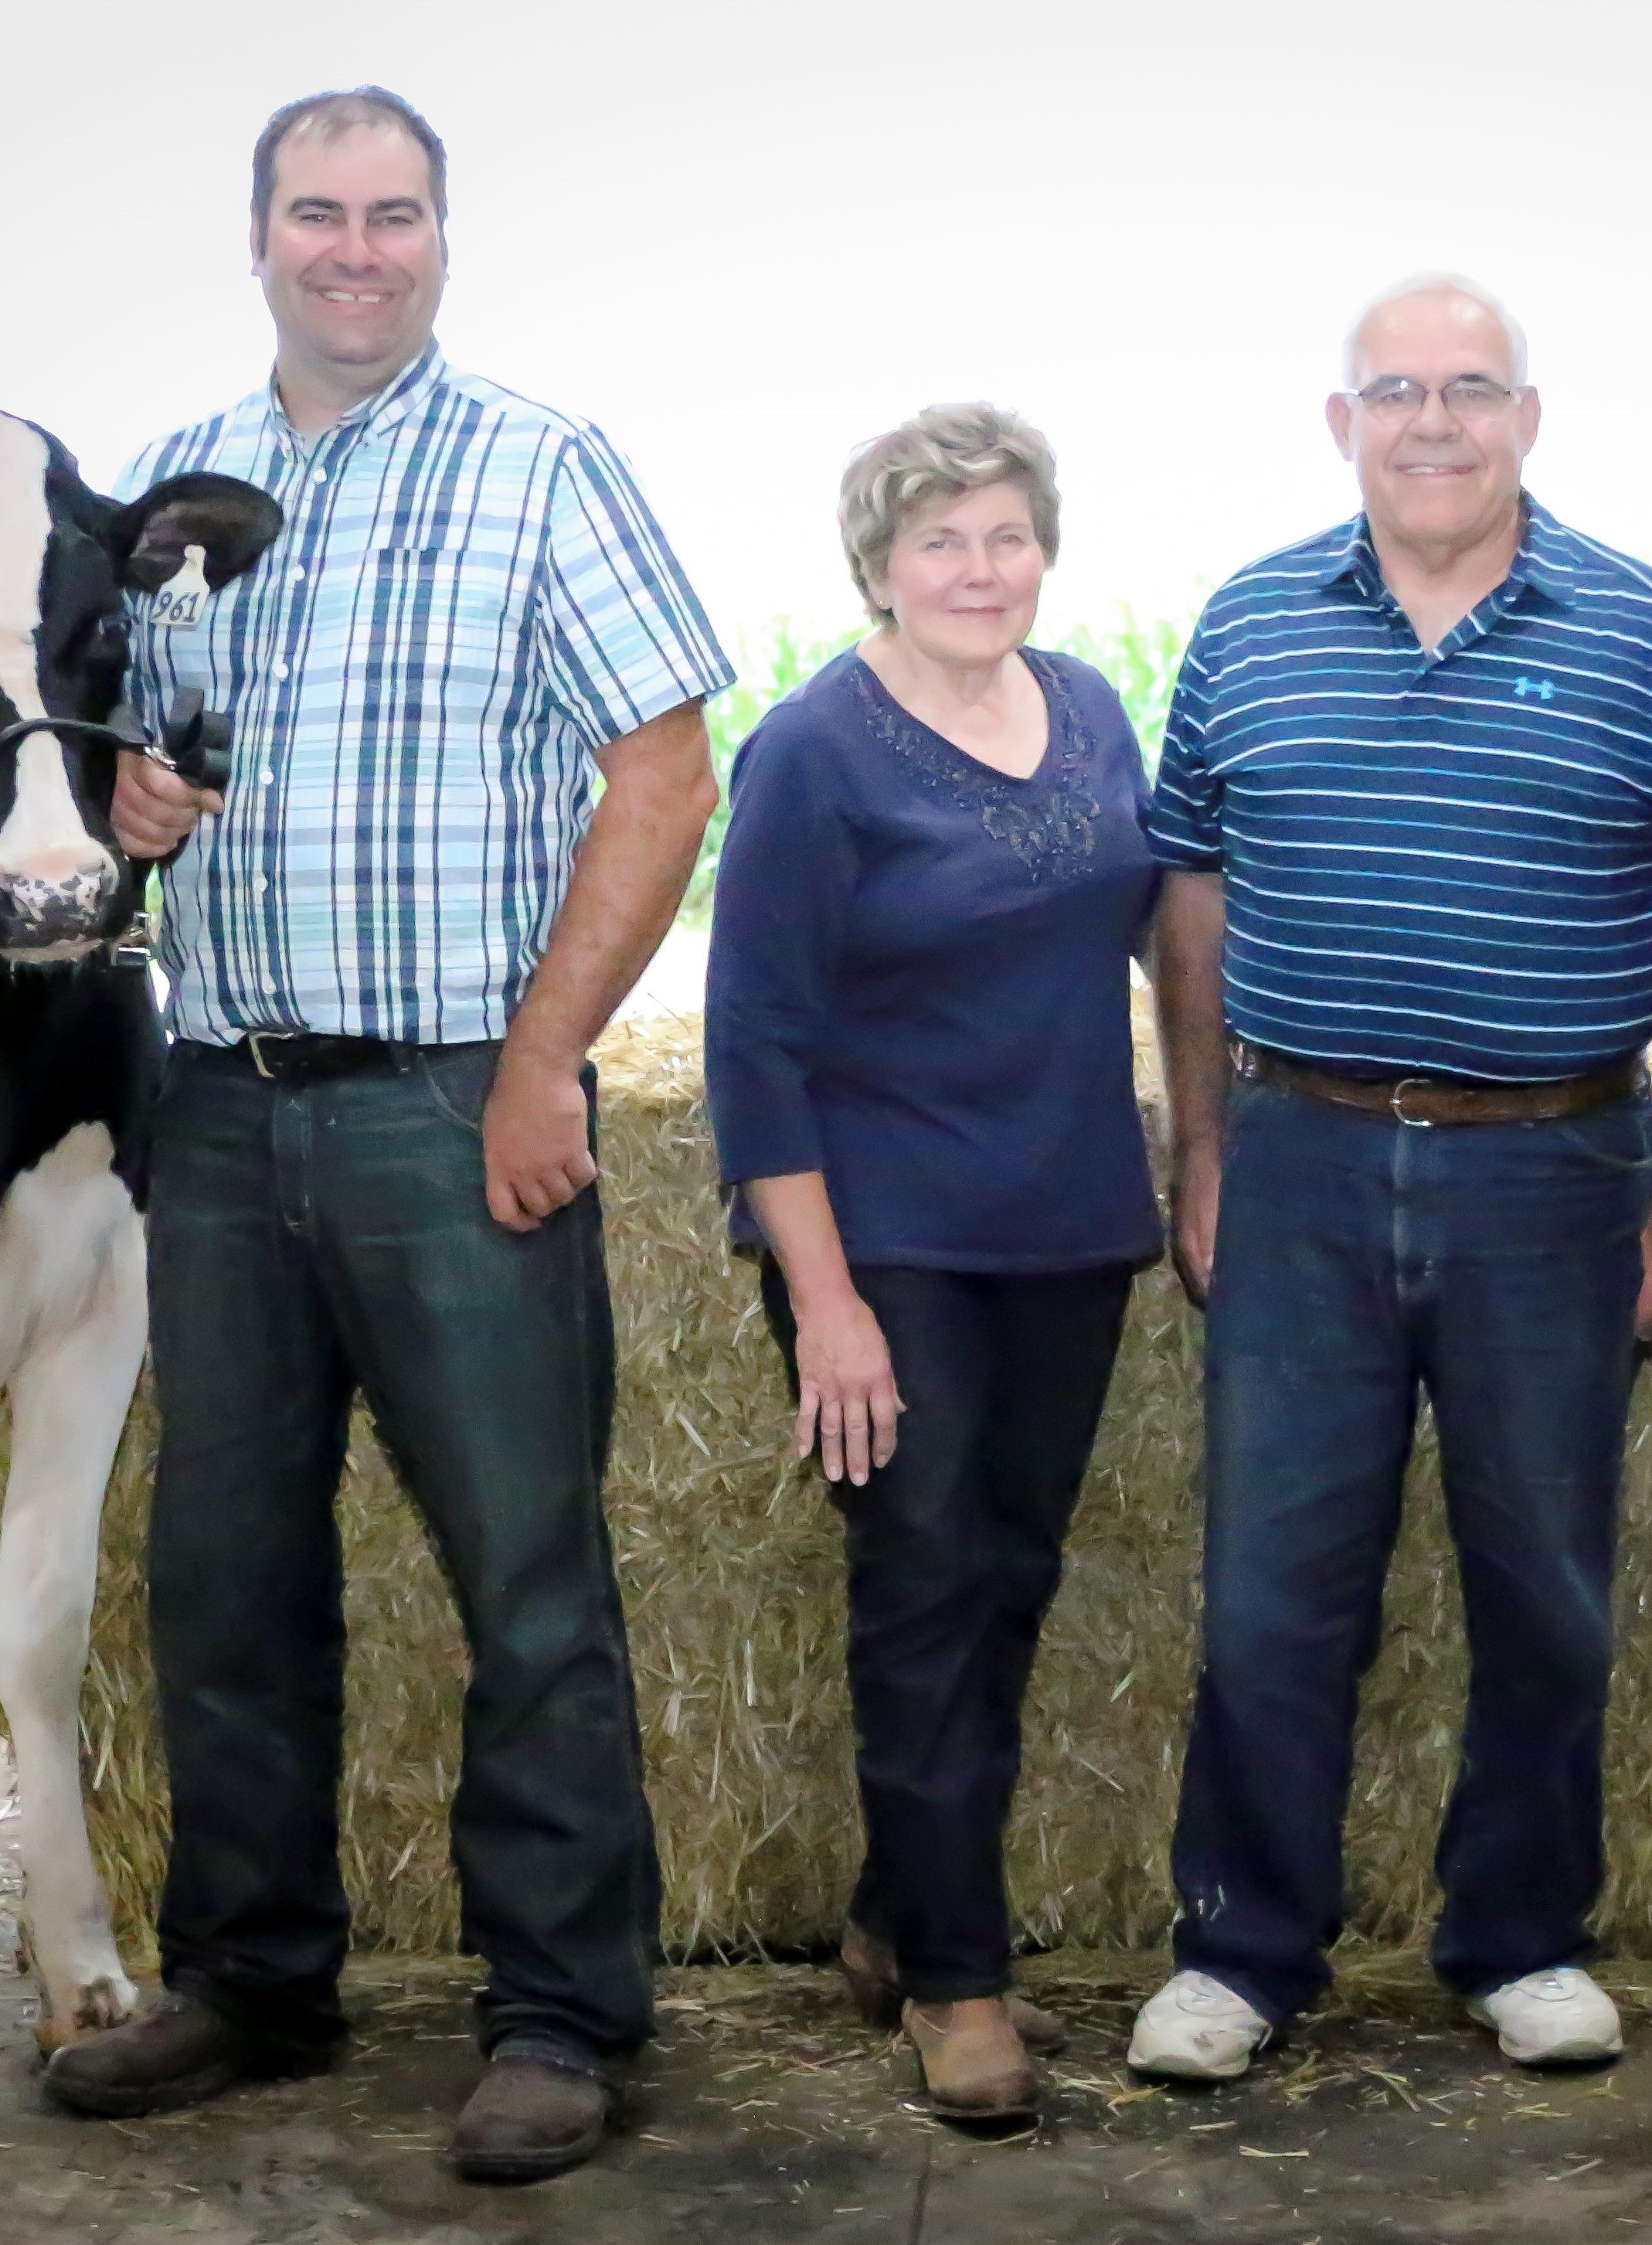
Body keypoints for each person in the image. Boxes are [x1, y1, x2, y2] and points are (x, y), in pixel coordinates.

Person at [40, 87, 735, 2186]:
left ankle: (556, 2016)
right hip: (225, 1109)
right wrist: (134, 807)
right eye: (321, 213)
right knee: (224, 1567)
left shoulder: (544, 467)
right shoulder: (181, 491)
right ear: (258, 236)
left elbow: (666, 773)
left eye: (398, 214)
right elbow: (103, 779)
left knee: (529, 1577)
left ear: (444, 238)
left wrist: (545, 1061)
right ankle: (253, 1977)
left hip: (455, 1105)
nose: (362, 247)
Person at [1127, 276, 1652, 2085]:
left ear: (1531, 418)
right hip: (1301, 1159)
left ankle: (1523, 1938)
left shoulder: (1649, 630)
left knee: (1544, 1577)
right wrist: (1204, 1151)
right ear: (1342, 425)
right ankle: (1242, 1951)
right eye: (1395, 390)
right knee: (1271, 1587)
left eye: (1472, 389)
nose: (1434, 421)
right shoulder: (1248, 625)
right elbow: (1192, 902)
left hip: (1554, 1165)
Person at [703, 405, 1161, 2124]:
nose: (981, 570)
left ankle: (901, 1913)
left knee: (1012, 1580)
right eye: (942, 542)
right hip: (889, 1242)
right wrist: (824, 1302)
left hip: (1069, 1227)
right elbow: (753, 1046)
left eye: (1007, 536)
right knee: (921, 1587)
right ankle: (964, 1984)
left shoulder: (1095, 709)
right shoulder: (817, 751)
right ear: (879, 564)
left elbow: (1163, 915)